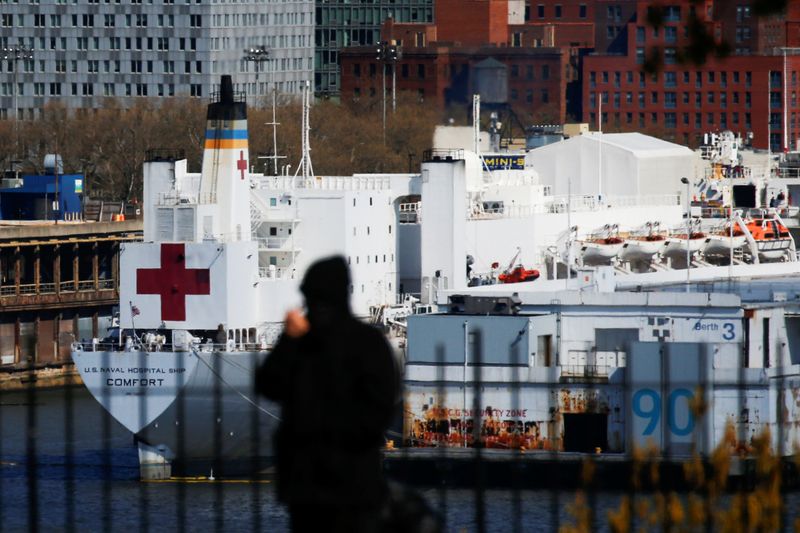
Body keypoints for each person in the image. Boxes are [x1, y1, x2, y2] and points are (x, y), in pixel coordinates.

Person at [256, 256, 400, 533]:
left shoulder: (341, 343)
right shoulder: (370, 342)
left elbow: (269, 385)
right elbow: (268, 385)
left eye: (316, 298)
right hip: (337, 481)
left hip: (327, 480)